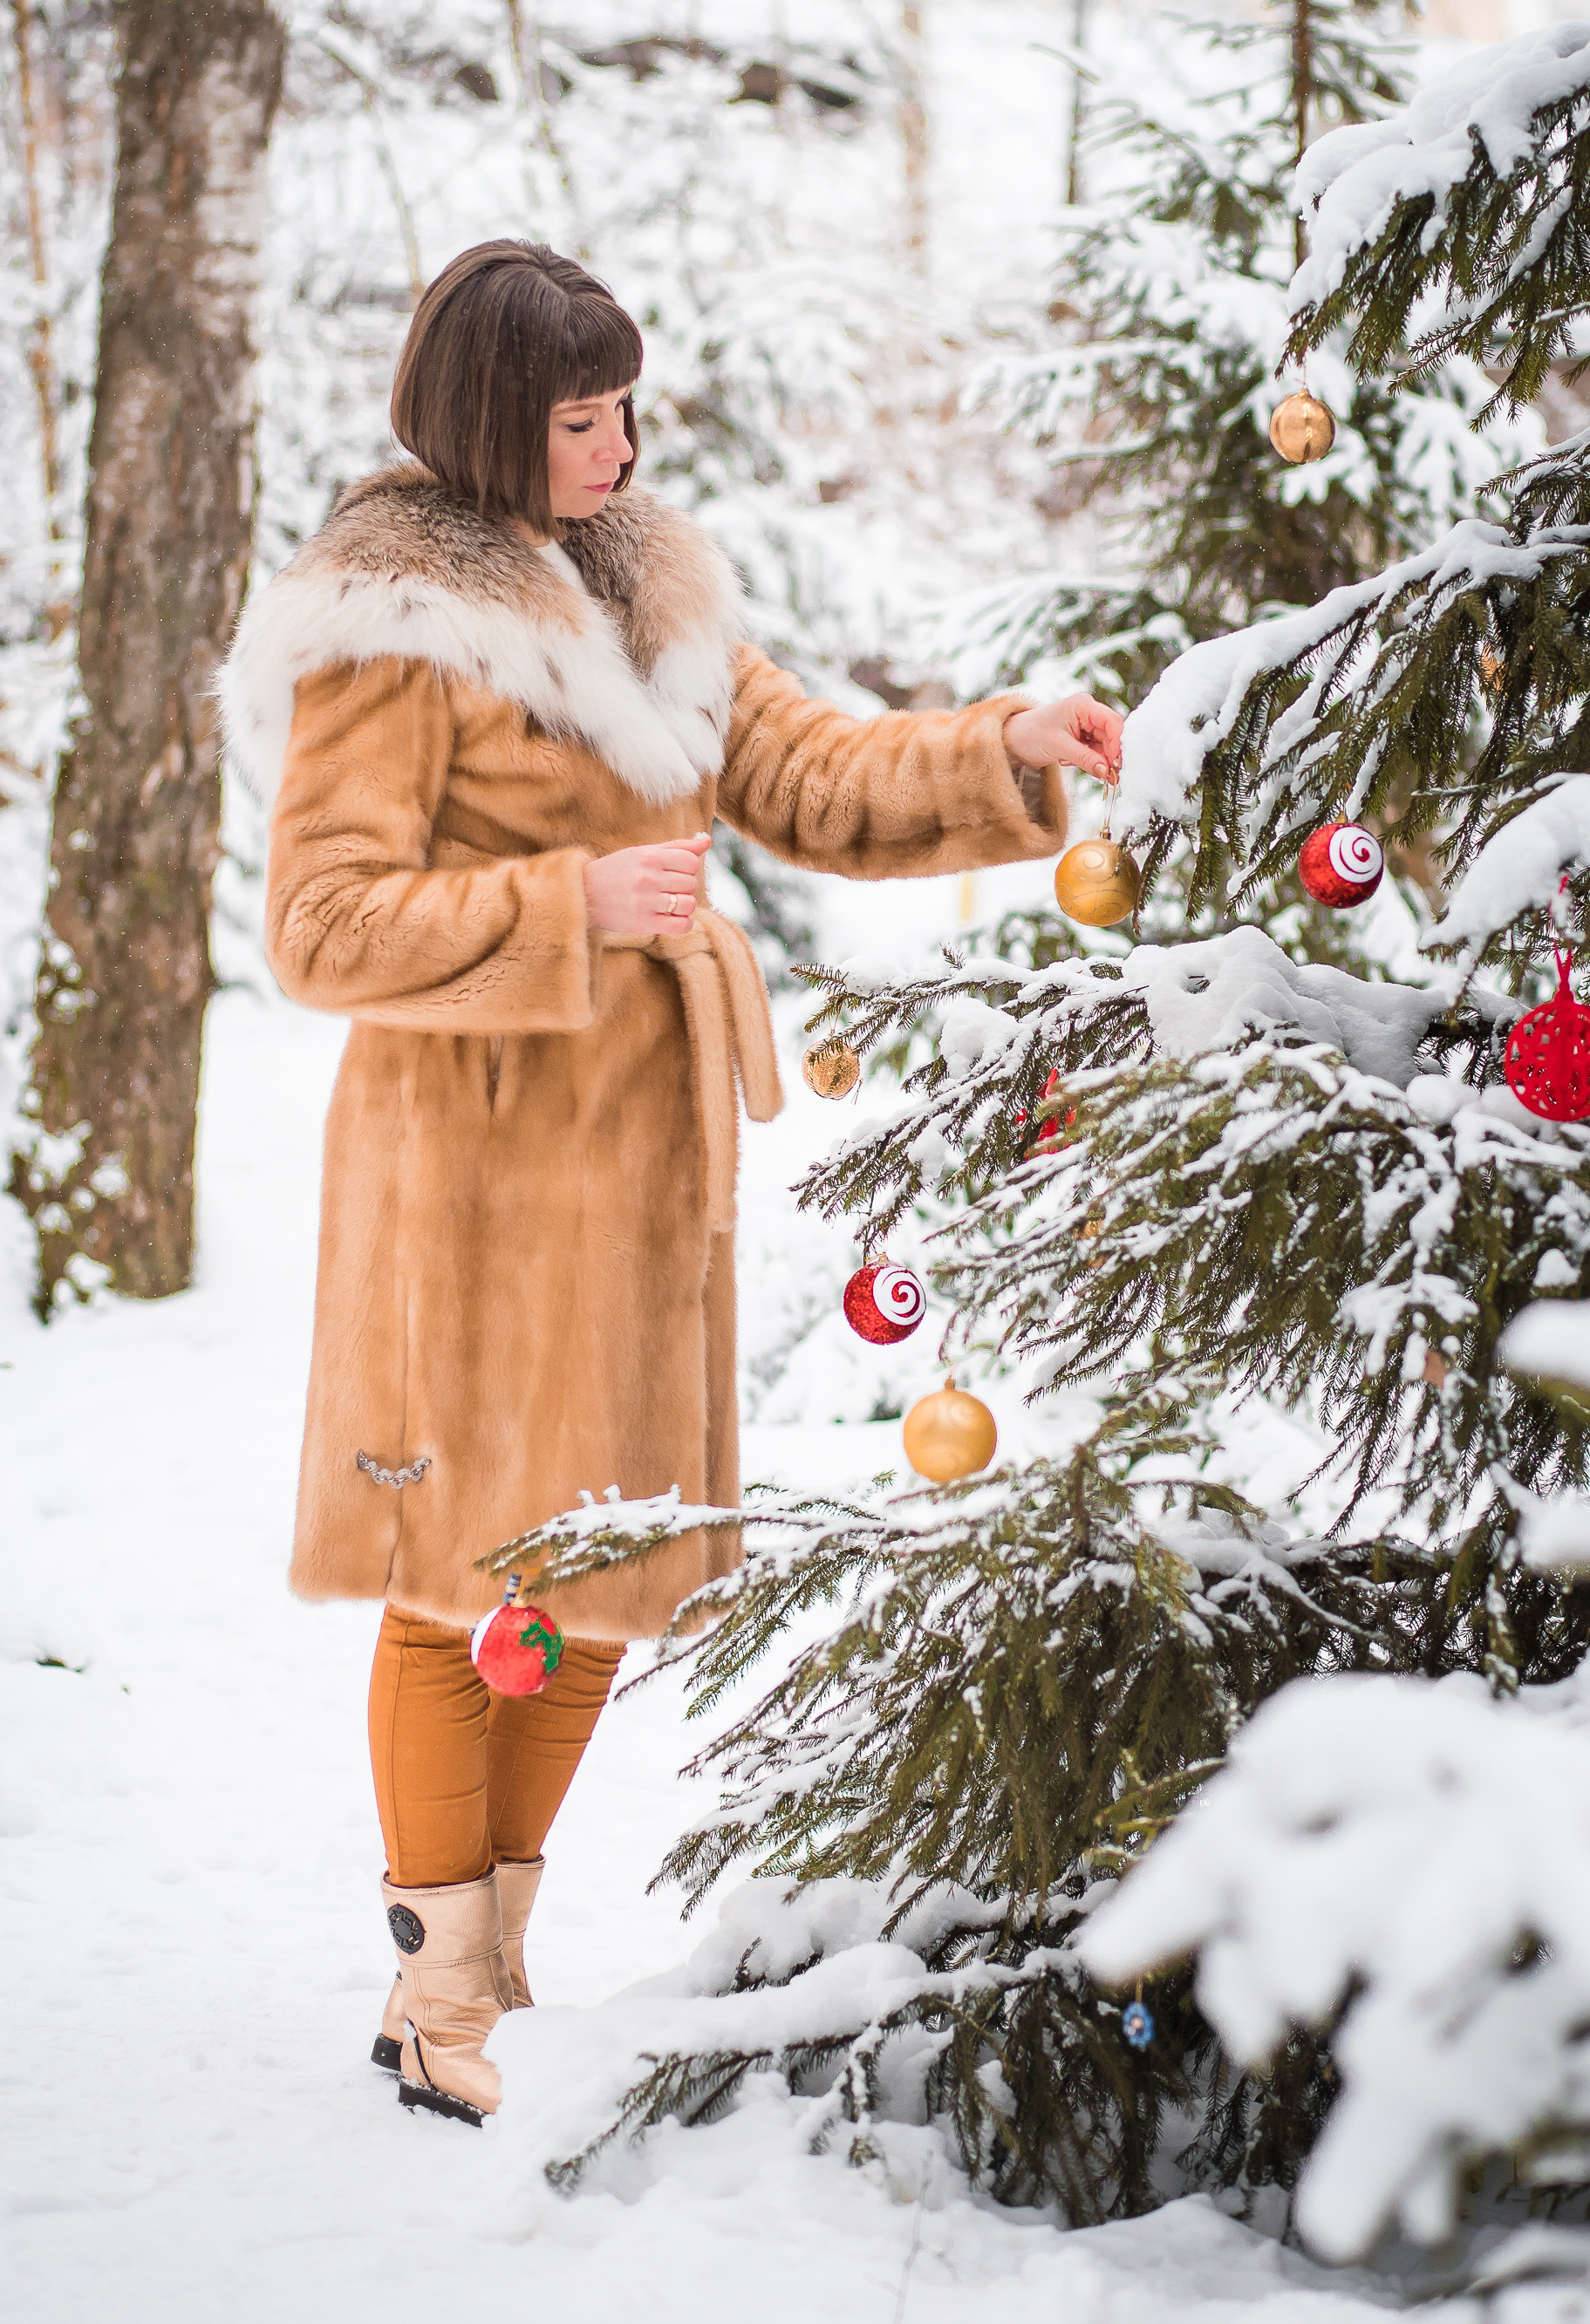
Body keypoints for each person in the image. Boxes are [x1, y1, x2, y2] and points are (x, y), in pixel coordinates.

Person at [221, 238, 1123, 2126]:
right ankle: (440, 1989)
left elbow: (813, 770)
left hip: (638, 1177)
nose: (621, 448)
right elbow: (316, 923)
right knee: (453, 1595)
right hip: (466, 1184)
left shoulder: (650, 576)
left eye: (626, 409)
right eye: (582, 419)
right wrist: (566, 902)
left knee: (590, 1581)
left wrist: (1006, 751)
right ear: (496, 420)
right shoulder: (394, 621)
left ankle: (491, 1970)